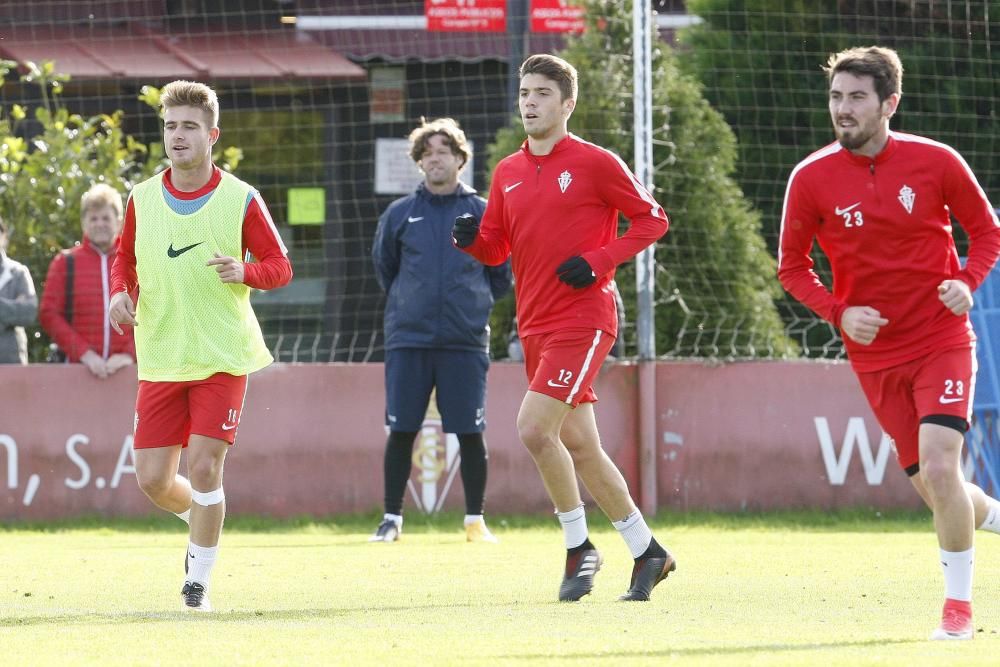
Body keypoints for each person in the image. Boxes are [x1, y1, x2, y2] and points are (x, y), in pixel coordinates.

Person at [778, 46, 1000, 641]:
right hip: (873, 355)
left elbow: (986, 233)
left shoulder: (937, 162)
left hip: (942, 338)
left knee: (939, 464)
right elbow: (792, 267)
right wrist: (840, 312)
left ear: (889, 103)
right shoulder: (810, 177)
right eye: (835, 97)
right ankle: (994, 515)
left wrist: (965, 282)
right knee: (937, 488)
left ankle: (958, 613)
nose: (842, 109)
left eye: (856, 98)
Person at [453, 54, 674, 602]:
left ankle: (579, 547)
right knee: (579, 445)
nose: (529, 102)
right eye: (525, 92)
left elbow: (653, 219)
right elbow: (498, 246)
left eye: (543, 93)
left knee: (533, 428)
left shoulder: (597, 162)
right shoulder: (507, 172)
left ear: (567, 103)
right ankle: (648, 552)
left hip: (584, 317)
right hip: (536, 324)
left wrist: (600, 260)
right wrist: (470, 241)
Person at [109, 80, 292, 612]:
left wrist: (246, 271)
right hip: (162, 354)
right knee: (152, 481)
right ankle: (203, 519)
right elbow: (125, 259)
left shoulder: (241, 198)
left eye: (189, 127)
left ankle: (198, 586)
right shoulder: (141, 197)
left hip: (222, 355)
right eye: (170, 126)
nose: (178, 136)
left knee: (207, 467)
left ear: (212, 134)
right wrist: (120, 292)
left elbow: (281, 268)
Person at [370, 117, 512, 544]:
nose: (435, 159)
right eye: (427, 152)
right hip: (408, 340)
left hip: (465, 341)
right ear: (419, 162)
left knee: (470, 431)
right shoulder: (400, 214)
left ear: (460, 159)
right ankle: (391, 519)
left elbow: (501, 273)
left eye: (443, 151)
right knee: (402, 431)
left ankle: (475, 521)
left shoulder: (483, 212)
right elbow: (386, 270)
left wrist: (471, 306)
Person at [40, 183, 136, 377]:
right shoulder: (64, 263)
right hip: (79, 370)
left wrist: (130, 354)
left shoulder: (137, 262)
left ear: (119, 222)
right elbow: (48, 314)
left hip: (129, 371)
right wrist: (84, 353)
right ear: (83, 223)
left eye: (106, 218)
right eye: (93, 218)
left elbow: (157, 312)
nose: (99, 223)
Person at [0, 215, 38, 364]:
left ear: (4, 236)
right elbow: (19, 311)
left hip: (12, 365)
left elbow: (28, 312)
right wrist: (12, 309)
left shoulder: (18, 272)